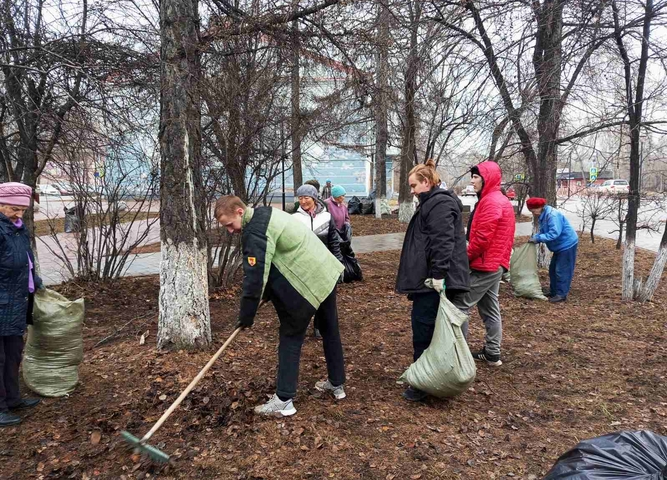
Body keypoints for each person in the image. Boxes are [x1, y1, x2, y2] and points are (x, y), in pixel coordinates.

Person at [215, 195, 346, 417]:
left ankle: (284, 400)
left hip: (309, 278)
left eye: (229, 225)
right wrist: (263, 296)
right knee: (329, 329)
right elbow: (273, 260)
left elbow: (255, 276)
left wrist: (246, 315)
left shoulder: (254, 230)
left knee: (290, 336)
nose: (230, 231)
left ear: (239, 212)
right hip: (325, 272)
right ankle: (337, 384)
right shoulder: (265, 213)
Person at [396, 160, 470, 402]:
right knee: (430, 329)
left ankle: (424, 384)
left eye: (414, 185)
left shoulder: (438, 204)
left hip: (435, 282)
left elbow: (443, 242)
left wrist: (438, 275)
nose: (412, 191)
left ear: (427, 182)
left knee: (425, 329)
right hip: (431, 279)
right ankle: (430, 377)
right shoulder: (433, 202)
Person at [464, 161, 515, 367]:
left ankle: (456, 356)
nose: (472, 180)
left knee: (459, 306)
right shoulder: (496, 199)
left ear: (487, 178)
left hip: (486, 265)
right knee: (489, 307)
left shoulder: (491, 202)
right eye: (473, 176)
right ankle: (493, 353)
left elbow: (482, 240)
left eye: (476, 177)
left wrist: (463, 258)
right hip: (496, 263)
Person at [0, 182, 42, 427]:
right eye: (13, 209)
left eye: (22, 210)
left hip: (16, 303)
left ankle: (13, 398)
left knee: (14, 354)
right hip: (3, 301)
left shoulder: (18, 228)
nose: (18, 214)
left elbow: (26, 260)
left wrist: (35, 280)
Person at [293, 184, 344, 338]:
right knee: (304, 299)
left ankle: (319, 326)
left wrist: (338, 265)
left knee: (324, 298)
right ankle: (299, 327)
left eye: (306, 198)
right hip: (304, 266)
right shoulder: (295, 218)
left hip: (324, 265)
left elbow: (334, 242)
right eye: (300, 198)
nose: (303, 201)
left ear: (314, 198)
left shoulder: (327, 217)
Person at [527, 197, 578, 303]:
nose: (534, 214)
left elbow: (554, 233)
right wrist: (537, 236)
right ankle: (554, 291)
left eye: (533, 211)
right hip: (559, 246)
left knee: (562, 270)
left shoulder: (552, 215)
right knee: (553, 269)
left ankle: (561, 294)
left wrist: (538, 238)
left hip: (567, 244)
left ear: (539, 207)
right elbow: (544, 230)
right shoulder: (544, 215)